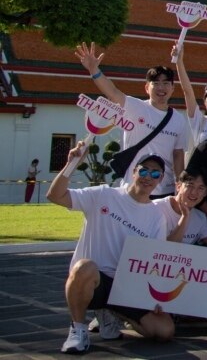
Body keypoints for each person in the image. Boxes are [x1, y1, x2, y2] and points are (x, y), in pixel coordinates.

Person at [49, 147, 180, 353]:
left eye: (155, 174)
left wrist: (155, 299)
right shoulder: (103, 194)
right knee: (84, 267)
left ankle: (112, 313)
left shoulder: (157, 217)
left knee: (164, 331)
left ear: (160, 179)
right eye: (144, 170)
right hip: (94, 281)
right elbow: (56, 196)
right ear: (134, 172)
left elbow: (154, 262)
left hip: (127, 287)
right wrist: (71, 164)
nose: (148, 177)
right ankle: (78, 329)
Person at [75, 43, 188, 198]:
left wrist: (180, 183)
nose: (161, 88)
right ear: (147, 88)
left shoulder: (179, 119)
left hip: (164, 191)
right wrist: (93, 70)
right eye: (156, 83)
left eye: (166, 83)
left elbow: (178, 155)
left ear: (173, 88)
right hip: (133, 187)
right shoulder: (136, 107)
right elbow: (113, 92)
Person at [153, 172, 207, 246]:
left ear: (205, 193)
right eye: (190, 186)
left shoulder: (200, 218)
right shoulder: (156, 207)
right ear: (178, 186)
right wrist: (185, 217)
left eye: (200, 188)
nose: (193, 192)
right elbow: (168, 250)